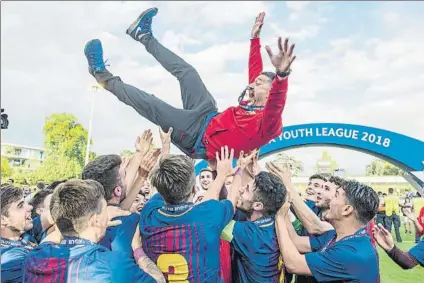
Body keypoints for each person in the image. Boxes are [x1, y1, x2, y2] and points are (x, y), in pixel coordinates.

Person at [84, 8, 296, 161]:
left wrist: (282, 75)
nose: (252, 83)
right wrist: (254, 39)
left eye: (259, 83)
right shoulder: (253, 98)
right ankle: (143, 35)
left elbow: (277, 102)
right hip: (208, 114)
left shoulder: (269, 124)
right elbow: (255, 69)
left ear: (270, 92)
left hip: (197, 138)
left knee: (151, 104)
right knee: (188, 73)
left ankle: (101, 74)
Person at [22, 179, 161, 282]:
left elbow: (57, 232)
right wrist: (138, 249)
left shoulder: (36, 256)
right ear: (94, 219)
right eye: (105, 209)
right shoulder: (110, 264)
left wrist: (89, 221)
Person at [139, 147, 239, 282]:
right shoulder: (208, 215)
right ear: (194, 188)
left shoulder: (148, 214)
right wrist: (235, 171)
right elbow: (231, 202)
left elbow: (164, 184)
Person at [273, 173, 380, 282]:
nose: (330, 199)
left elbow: (293, 264)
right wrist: (283, 207)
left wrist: (279, 218)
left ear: (347, 210)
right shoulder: (335, 235)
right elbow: (297, 242)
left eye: (336, 195)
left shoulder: (353, 253)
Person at [221, 170, 287, 282]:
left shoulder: (250, 234)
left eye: (246, 190)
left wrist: (224, 174)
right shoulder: (274, 223)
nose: (240, 190)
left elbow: (214, 220)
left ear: (257, 206)